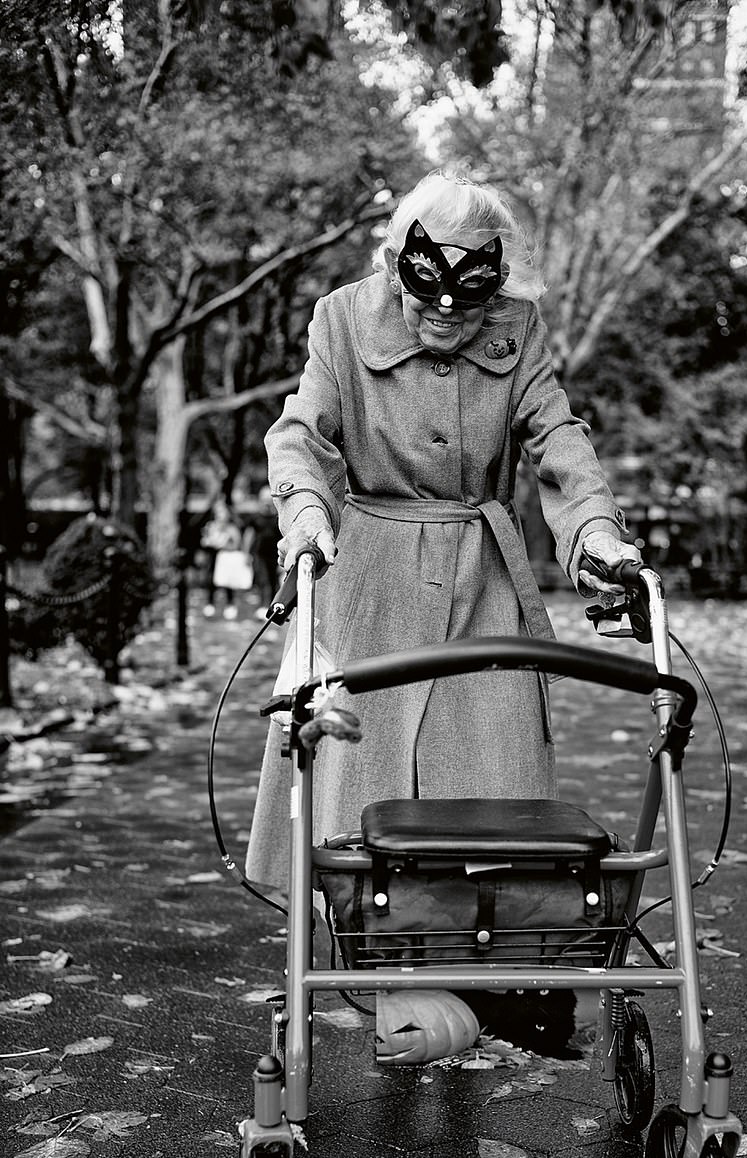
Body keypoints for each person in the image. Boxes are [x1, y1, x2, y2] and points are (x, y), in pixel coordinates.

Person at [246, 170, 641, 1051]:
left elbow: (557, 438)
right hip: (371, 571)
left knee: (494, 787)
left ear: (497, 283)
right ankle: (382, 983)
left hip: (483, 574)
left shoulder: (520, 326)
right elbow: (300, 435)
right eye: (428, 300)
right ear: (397, 264)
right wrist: (306, 516)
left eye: (468, 305)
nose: (445, 320)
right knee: (358, 793)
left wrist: (598, 535)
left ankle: (484, 978)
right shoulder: (341, 317)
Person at [199, 496, 247, 619]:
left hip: (226, 558)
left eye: (222, 512)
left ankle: (230, 606)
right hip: (212, 558)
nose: (220, 515)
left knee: (228, 582)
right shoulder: (211, 526)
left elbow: (237, 543)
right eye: (218, 512)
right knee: (210, 581)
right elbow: (205, 541)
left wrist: (224, 543)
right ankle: (210, 605)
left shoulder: (232, 528)